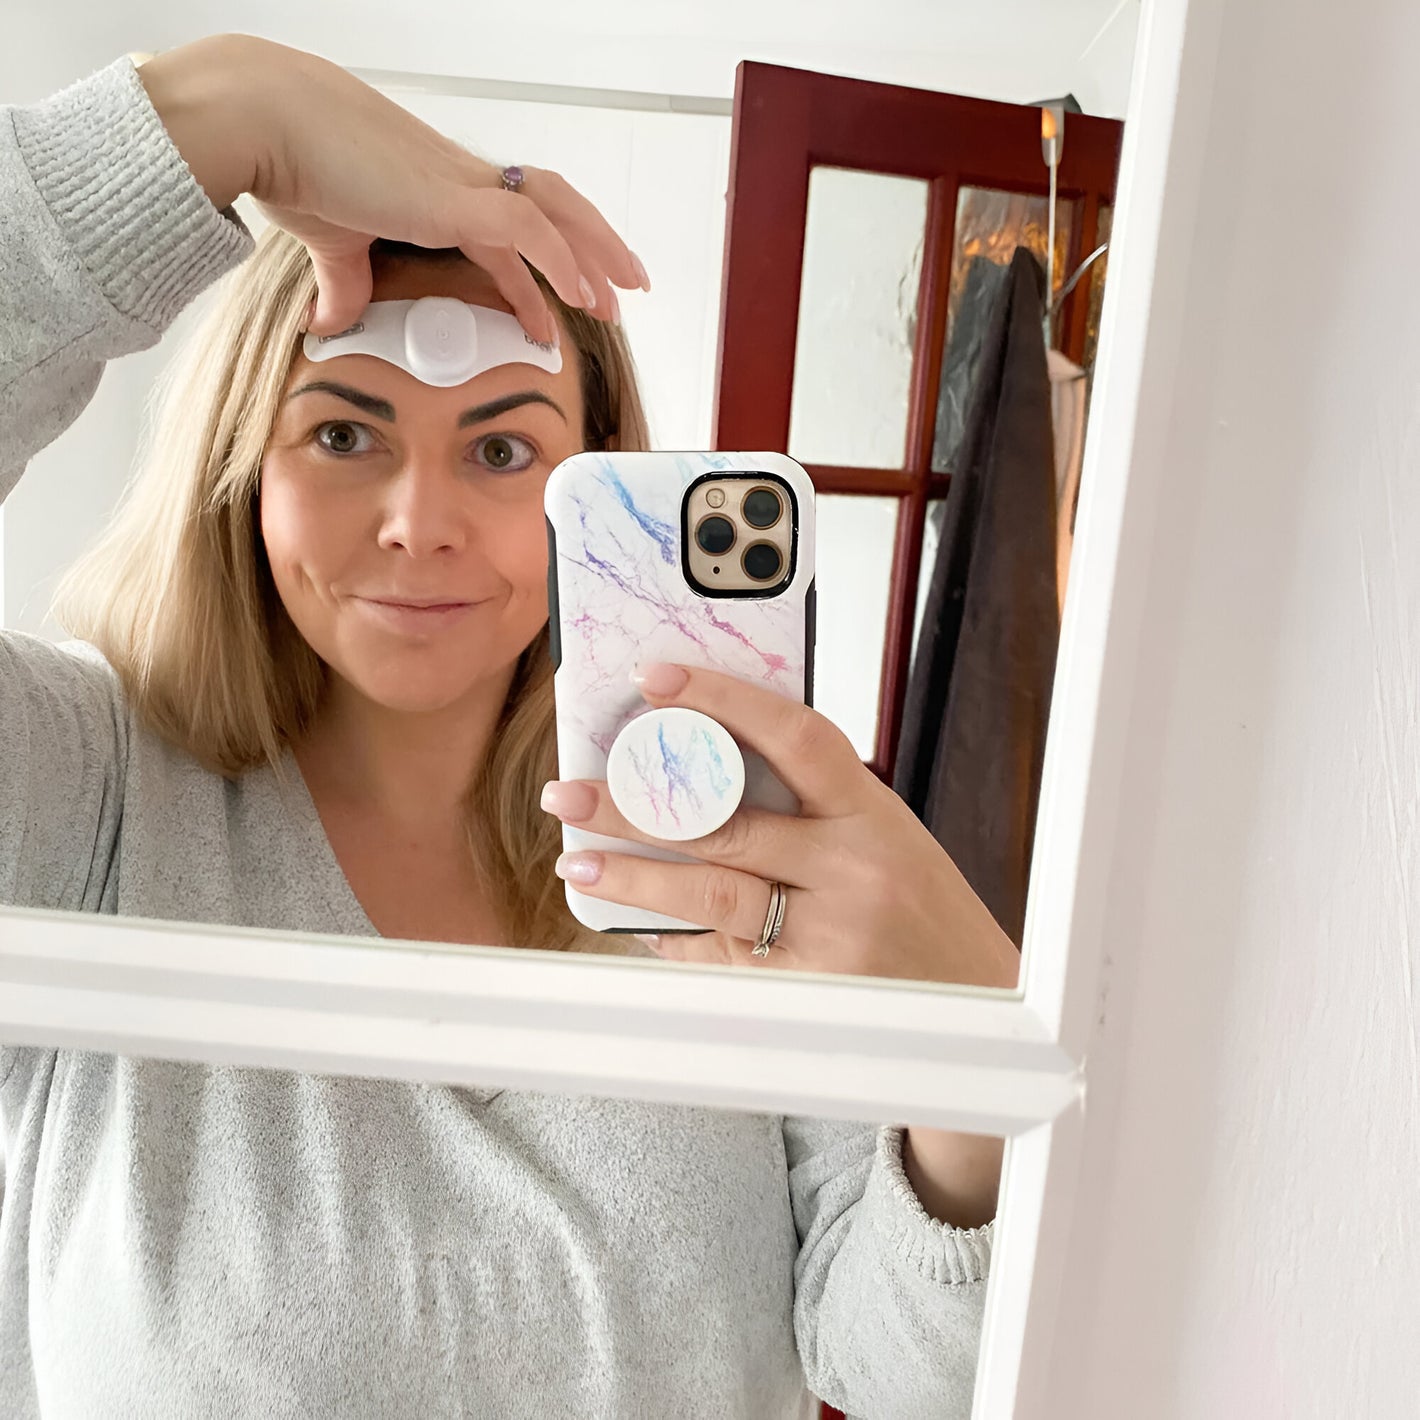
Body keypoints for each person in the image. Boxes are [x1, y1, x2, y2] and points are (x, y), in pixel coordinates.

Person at [0, 34, 1020, 1420]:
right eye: (344, 434)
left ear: (595, 491)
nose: (419, 523)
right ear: (241, 464)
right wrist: (225, 110)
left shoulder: (734, 859)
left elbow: (908, 1377)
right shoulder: (87, 795)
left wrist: (977, 1071)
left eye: (500, 449)